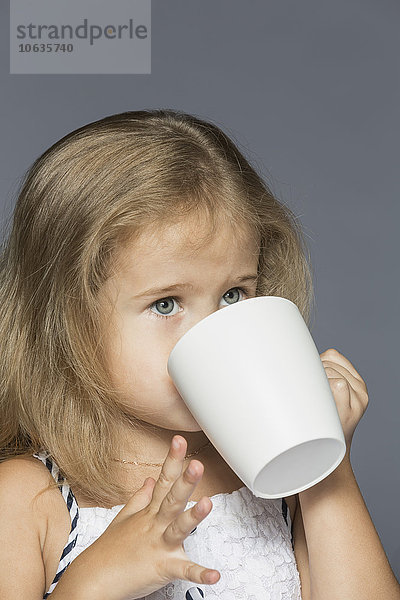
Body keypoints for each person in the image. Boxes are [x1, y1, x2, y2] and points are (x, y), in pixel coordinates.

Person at [0, 109, 398, 600]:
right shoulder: (26, 500)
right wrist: (94, 581)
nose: (216, 332)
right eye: (166, 303)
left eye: (233, 295)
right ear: (63, 322)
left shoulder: (267, 469)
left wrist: (324, 466)